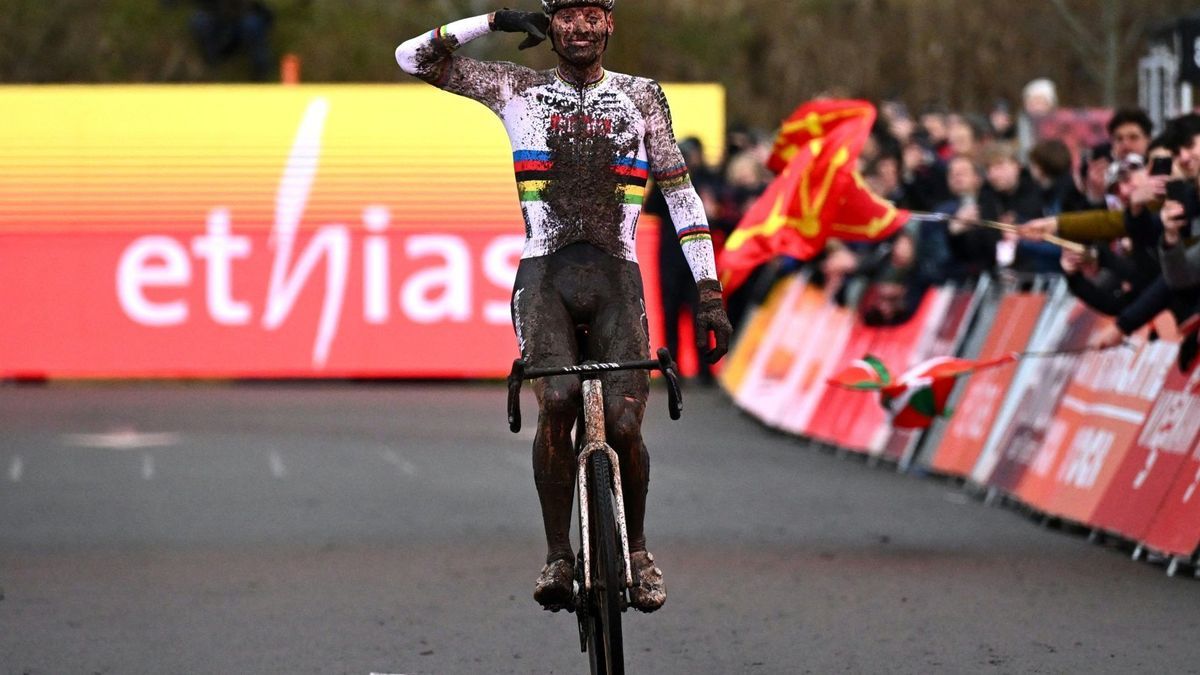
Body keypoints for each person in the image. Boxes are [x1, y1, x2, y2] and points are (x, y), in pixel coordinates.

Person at [395, 0, 733, 614]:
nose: (579, 28)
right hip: (545, 275)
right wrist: (493, 22)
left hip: (617, 279)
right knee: (556, 402)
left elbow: (681, 195)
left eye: (591, 16)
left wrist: (709, 291)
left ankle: (636, 553)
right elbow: (413, 57)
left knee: (627, 426)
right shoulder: (513, 86)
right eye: (566, 16)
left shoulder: (641, 96)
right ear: (549, 27)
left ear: (610, 26)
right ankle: (558, 554)